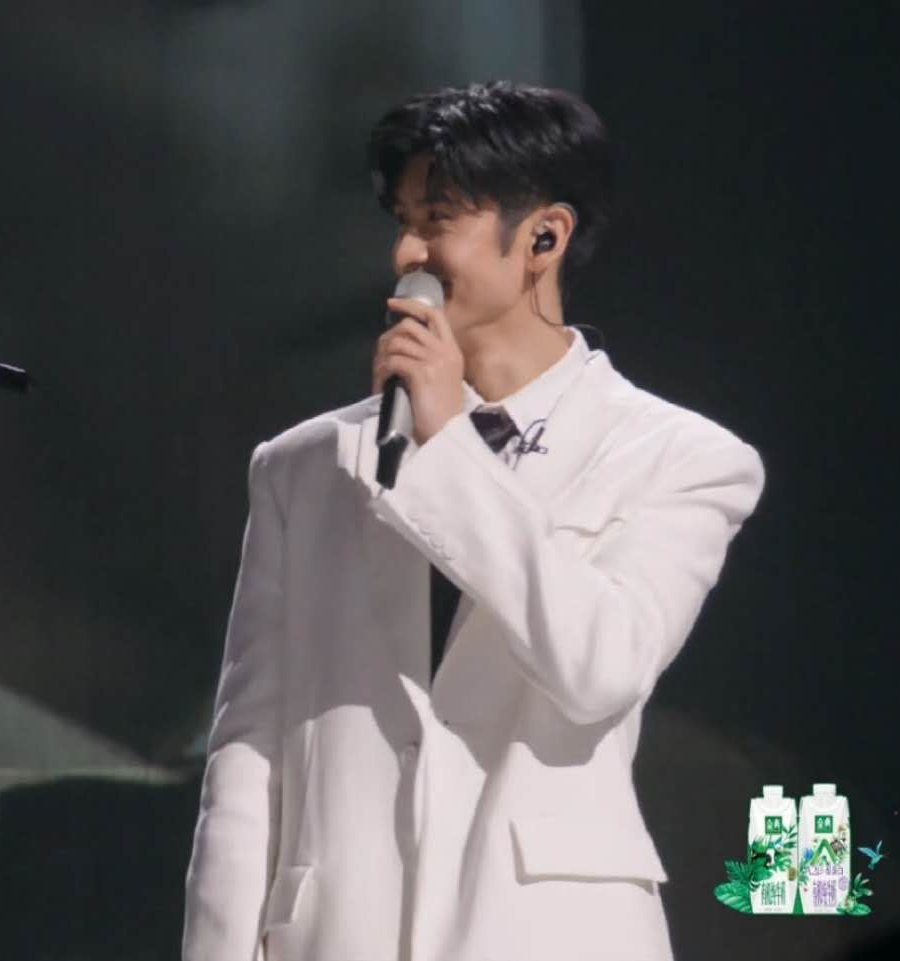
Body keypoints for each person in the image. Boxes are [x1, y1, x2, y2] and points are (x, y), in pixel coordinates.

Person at [182, 81, 765, 961]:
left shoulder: (680, 457)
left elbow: (599, 668)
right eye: (402, 220)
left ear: (543, 237)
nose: (406, 253)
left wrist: (446, 444)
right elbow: (246, 749)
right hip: (338, 934)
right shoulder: (301, 465)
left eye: (438, 219)